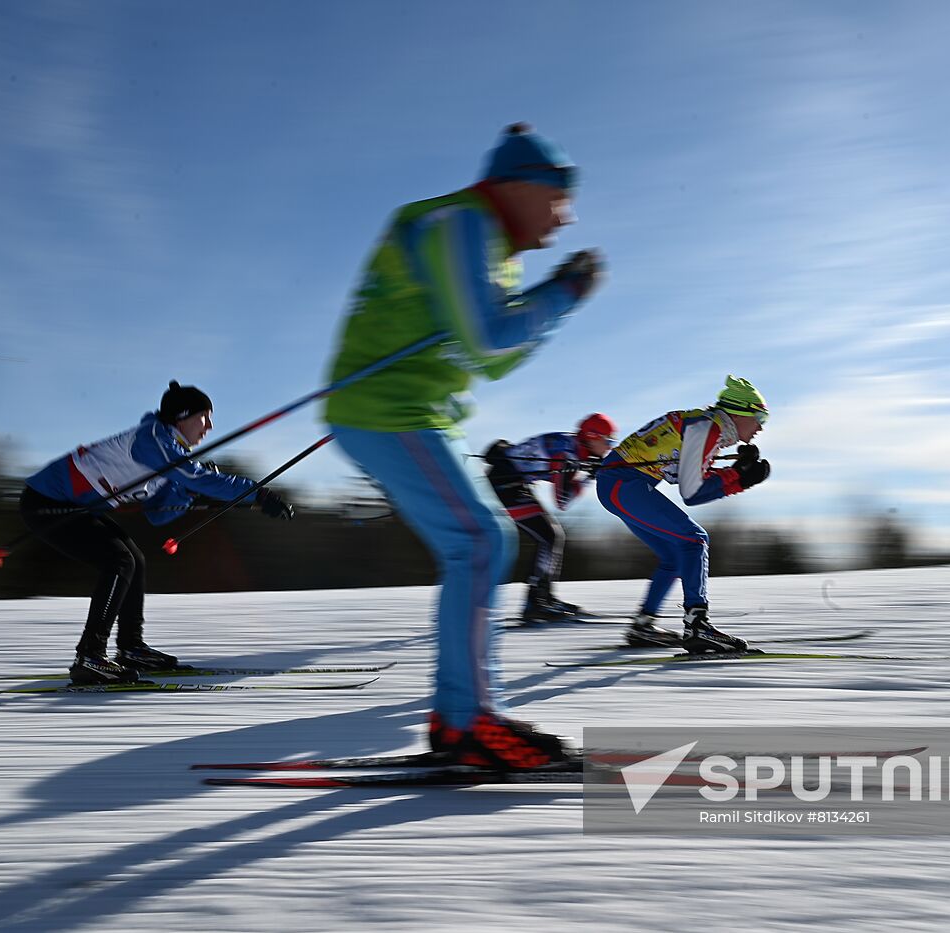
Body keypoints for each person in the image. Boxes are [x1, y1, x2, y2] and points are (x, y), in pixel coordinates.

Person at [323, 123, 603, 770]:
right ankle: (467, 723)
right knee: (479, 540)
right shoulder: (461, 224)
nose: (568, 213)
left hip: (420, 414)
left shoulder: (493, 250)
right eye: (560, 194)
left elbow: (497, 362)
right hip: (388, 408)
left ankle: (462, 719)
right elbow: (488, 339)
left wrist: (551, 299)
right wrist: (561, 294)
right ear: (517, 186)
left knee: (479, 541)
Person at [20, 380, 295, 684]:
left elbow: (157, 516)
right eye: (204, 417)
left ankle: (131, 648)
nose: (209, 427)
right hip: (48, 503)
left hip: (76, 509)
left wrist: (190, 493)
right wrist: (255, 493)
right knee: (118, 561)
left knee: (133, 560)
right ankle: (90, 656)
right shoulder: (153, 440)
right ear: (183, 416)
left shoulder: (169, 454)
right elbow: (193, 475)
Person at [596, 375, 771, 653]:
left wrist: (736, 477)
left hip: (620, 486)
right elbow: (692, 492)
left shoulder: (704, 425)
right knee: (694, 540)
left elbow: (687, 476)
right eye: (760, 416)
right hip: (625, 485)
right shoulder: (707, 428)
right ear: (739, 412)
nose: (761, 426)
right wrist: (738, 479)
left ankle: (644, 625)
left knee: (673, 557)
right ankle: (698, 626)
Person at [484, 413, 617, 622]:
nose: (609, 447)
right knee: (549, 536)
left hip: (513, 483)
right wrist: (588, 478)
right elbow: (562, 500)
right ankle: (536, 602)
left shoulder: (574, 447)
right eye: (608, 441)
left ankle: (543, 598)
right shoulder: (566, 455)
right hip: (505, 485)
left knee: (550, 536)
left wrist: (586, 470)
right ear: (592, 437)